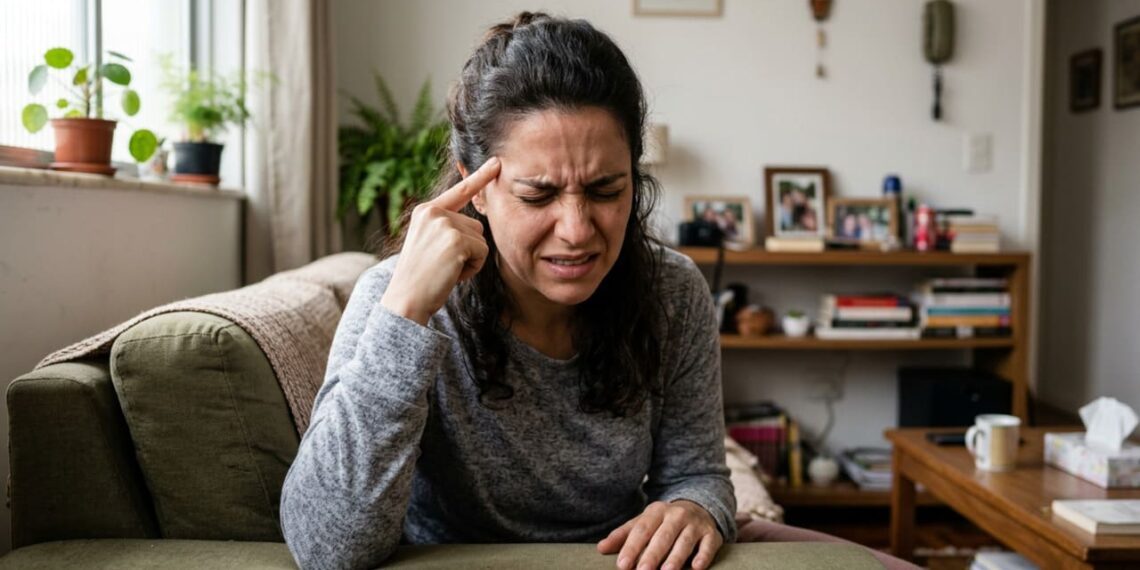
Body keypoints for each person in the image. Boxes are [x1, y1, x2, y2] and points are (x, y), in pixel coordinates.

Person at [281, 12, 920, 570]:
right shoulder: (398, 299)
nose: (578, 231)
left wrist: (695, 508)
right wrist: (406, 313)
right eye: (539, 194)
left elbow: (698, 472)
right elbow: (327, 548)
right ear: (473, 186)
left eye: (606, 190)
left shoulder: (672, 291)